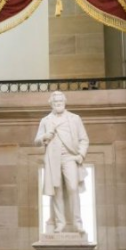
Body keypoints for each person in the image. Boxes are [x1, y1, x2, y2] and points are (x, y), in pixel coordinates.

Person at [35, 91, 89, 233]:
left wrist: (81, 155)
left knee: (72, 187)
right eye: (55, 102)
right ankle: (60, 222)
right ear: (51, 104)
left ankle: (78, 222)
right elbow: (37, 141)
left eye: (60, 102)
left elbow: (84, 139)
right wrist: (45, 136)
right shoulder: (46, 120)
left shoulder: (74, 119)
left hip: (69, 157)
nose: (58, 104)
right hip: (53, 158)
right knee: (56, 189)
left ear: (64, 103)